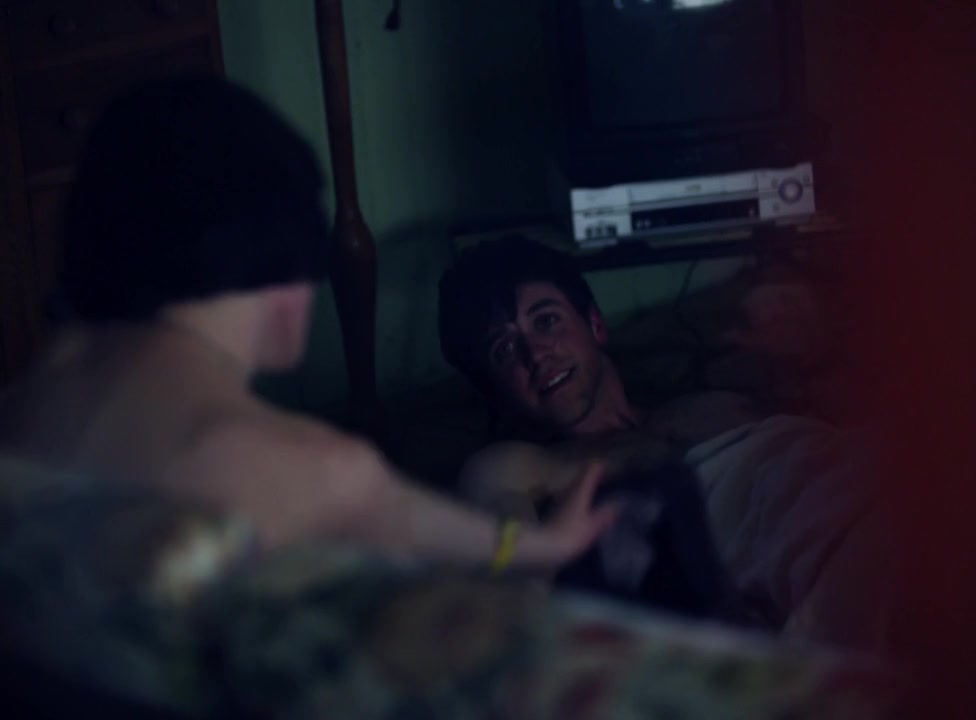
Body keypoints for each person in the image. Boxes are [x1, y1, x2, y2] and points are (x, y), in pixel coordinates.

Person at [0, 74, 615, 572]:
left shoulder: (29, 401)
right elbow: (415, 524)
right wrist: (544, 546)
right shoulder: (310, 469)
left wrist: (534, 544)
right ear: (287, 268)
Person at [438, 236, 891, 649]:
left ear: (595, 325)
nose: (537, 354)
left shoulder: (717, 398)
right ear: (496, 392)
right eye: (505, 350)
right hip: (827, 565)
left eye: (547, 321)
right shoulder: (519, 465)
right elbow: (511, 561)